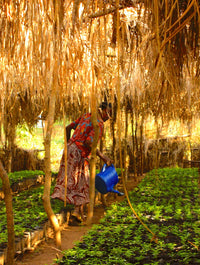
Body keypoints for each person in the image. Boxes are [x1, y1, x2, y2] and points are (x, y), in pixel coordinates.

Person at [51, 102, 113, 225]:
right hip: (79, 153)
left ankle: (77, 213)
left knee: (79, 181)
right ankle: (77, 213)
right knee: (83, 183)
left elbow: (68, 128)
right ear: (104, 110)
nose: (109, 116)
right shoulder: (98, 125)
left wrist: (69, 144)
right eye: (109, 112)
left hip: (69, 149)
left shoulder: (86, 116)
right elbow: (89, 142)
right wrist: (103, 157)